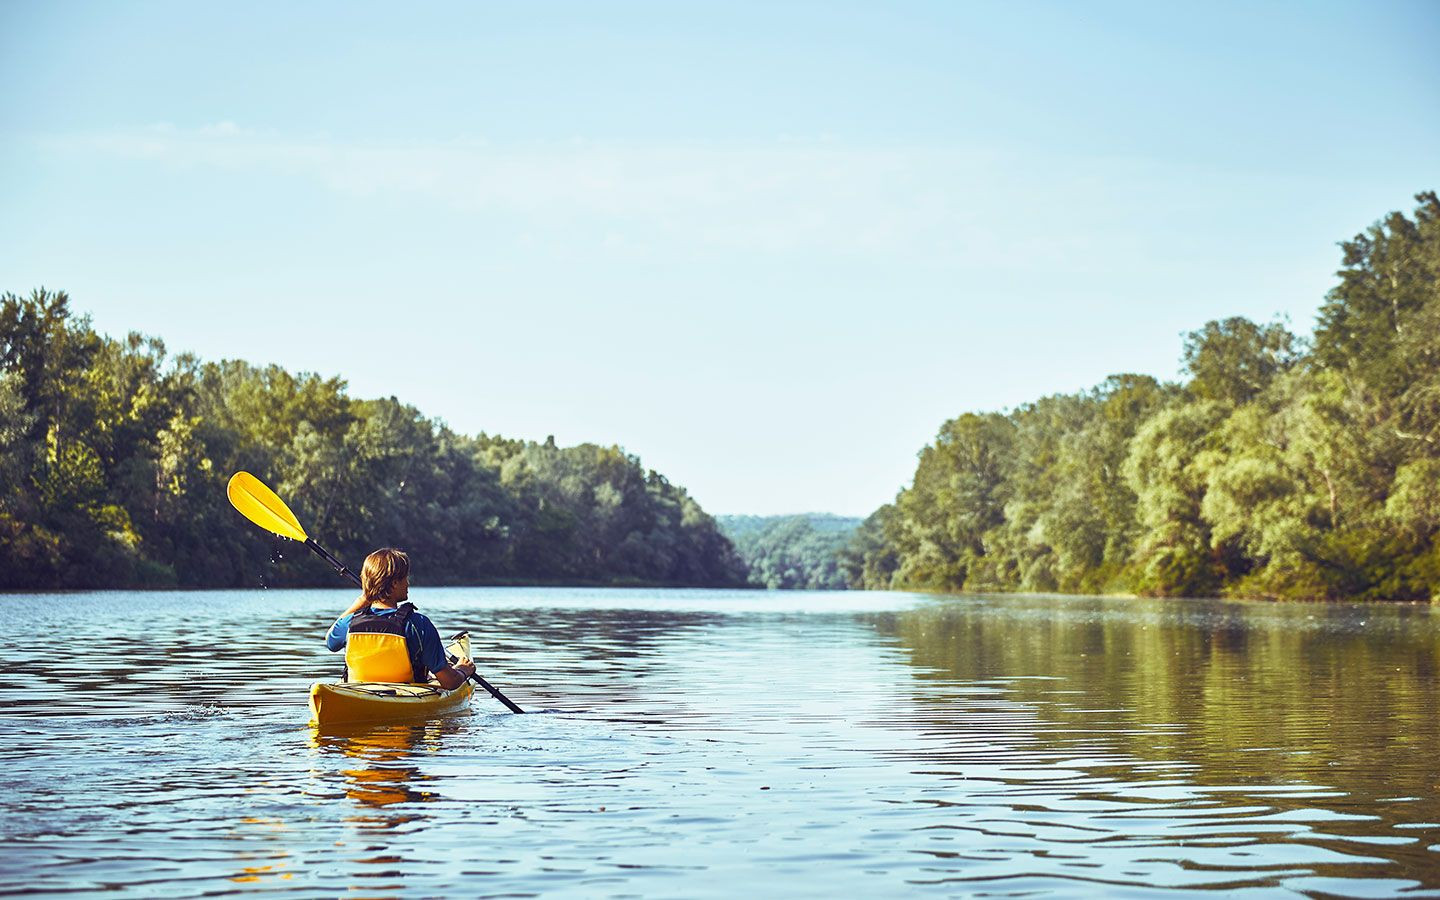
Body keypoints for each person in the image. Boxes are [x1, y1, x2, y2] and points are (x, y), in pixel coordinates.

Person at [325, 548, 476, 690]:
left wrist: (363, 599)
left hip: (359, 692)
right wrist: (463, 671)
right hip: (407, 696)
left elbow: (330, 641)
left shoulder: (349, 622)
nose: (408, 583)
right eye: (405, 578)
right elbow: (449, 682)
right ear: (395, 583)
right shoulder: (419, 624)